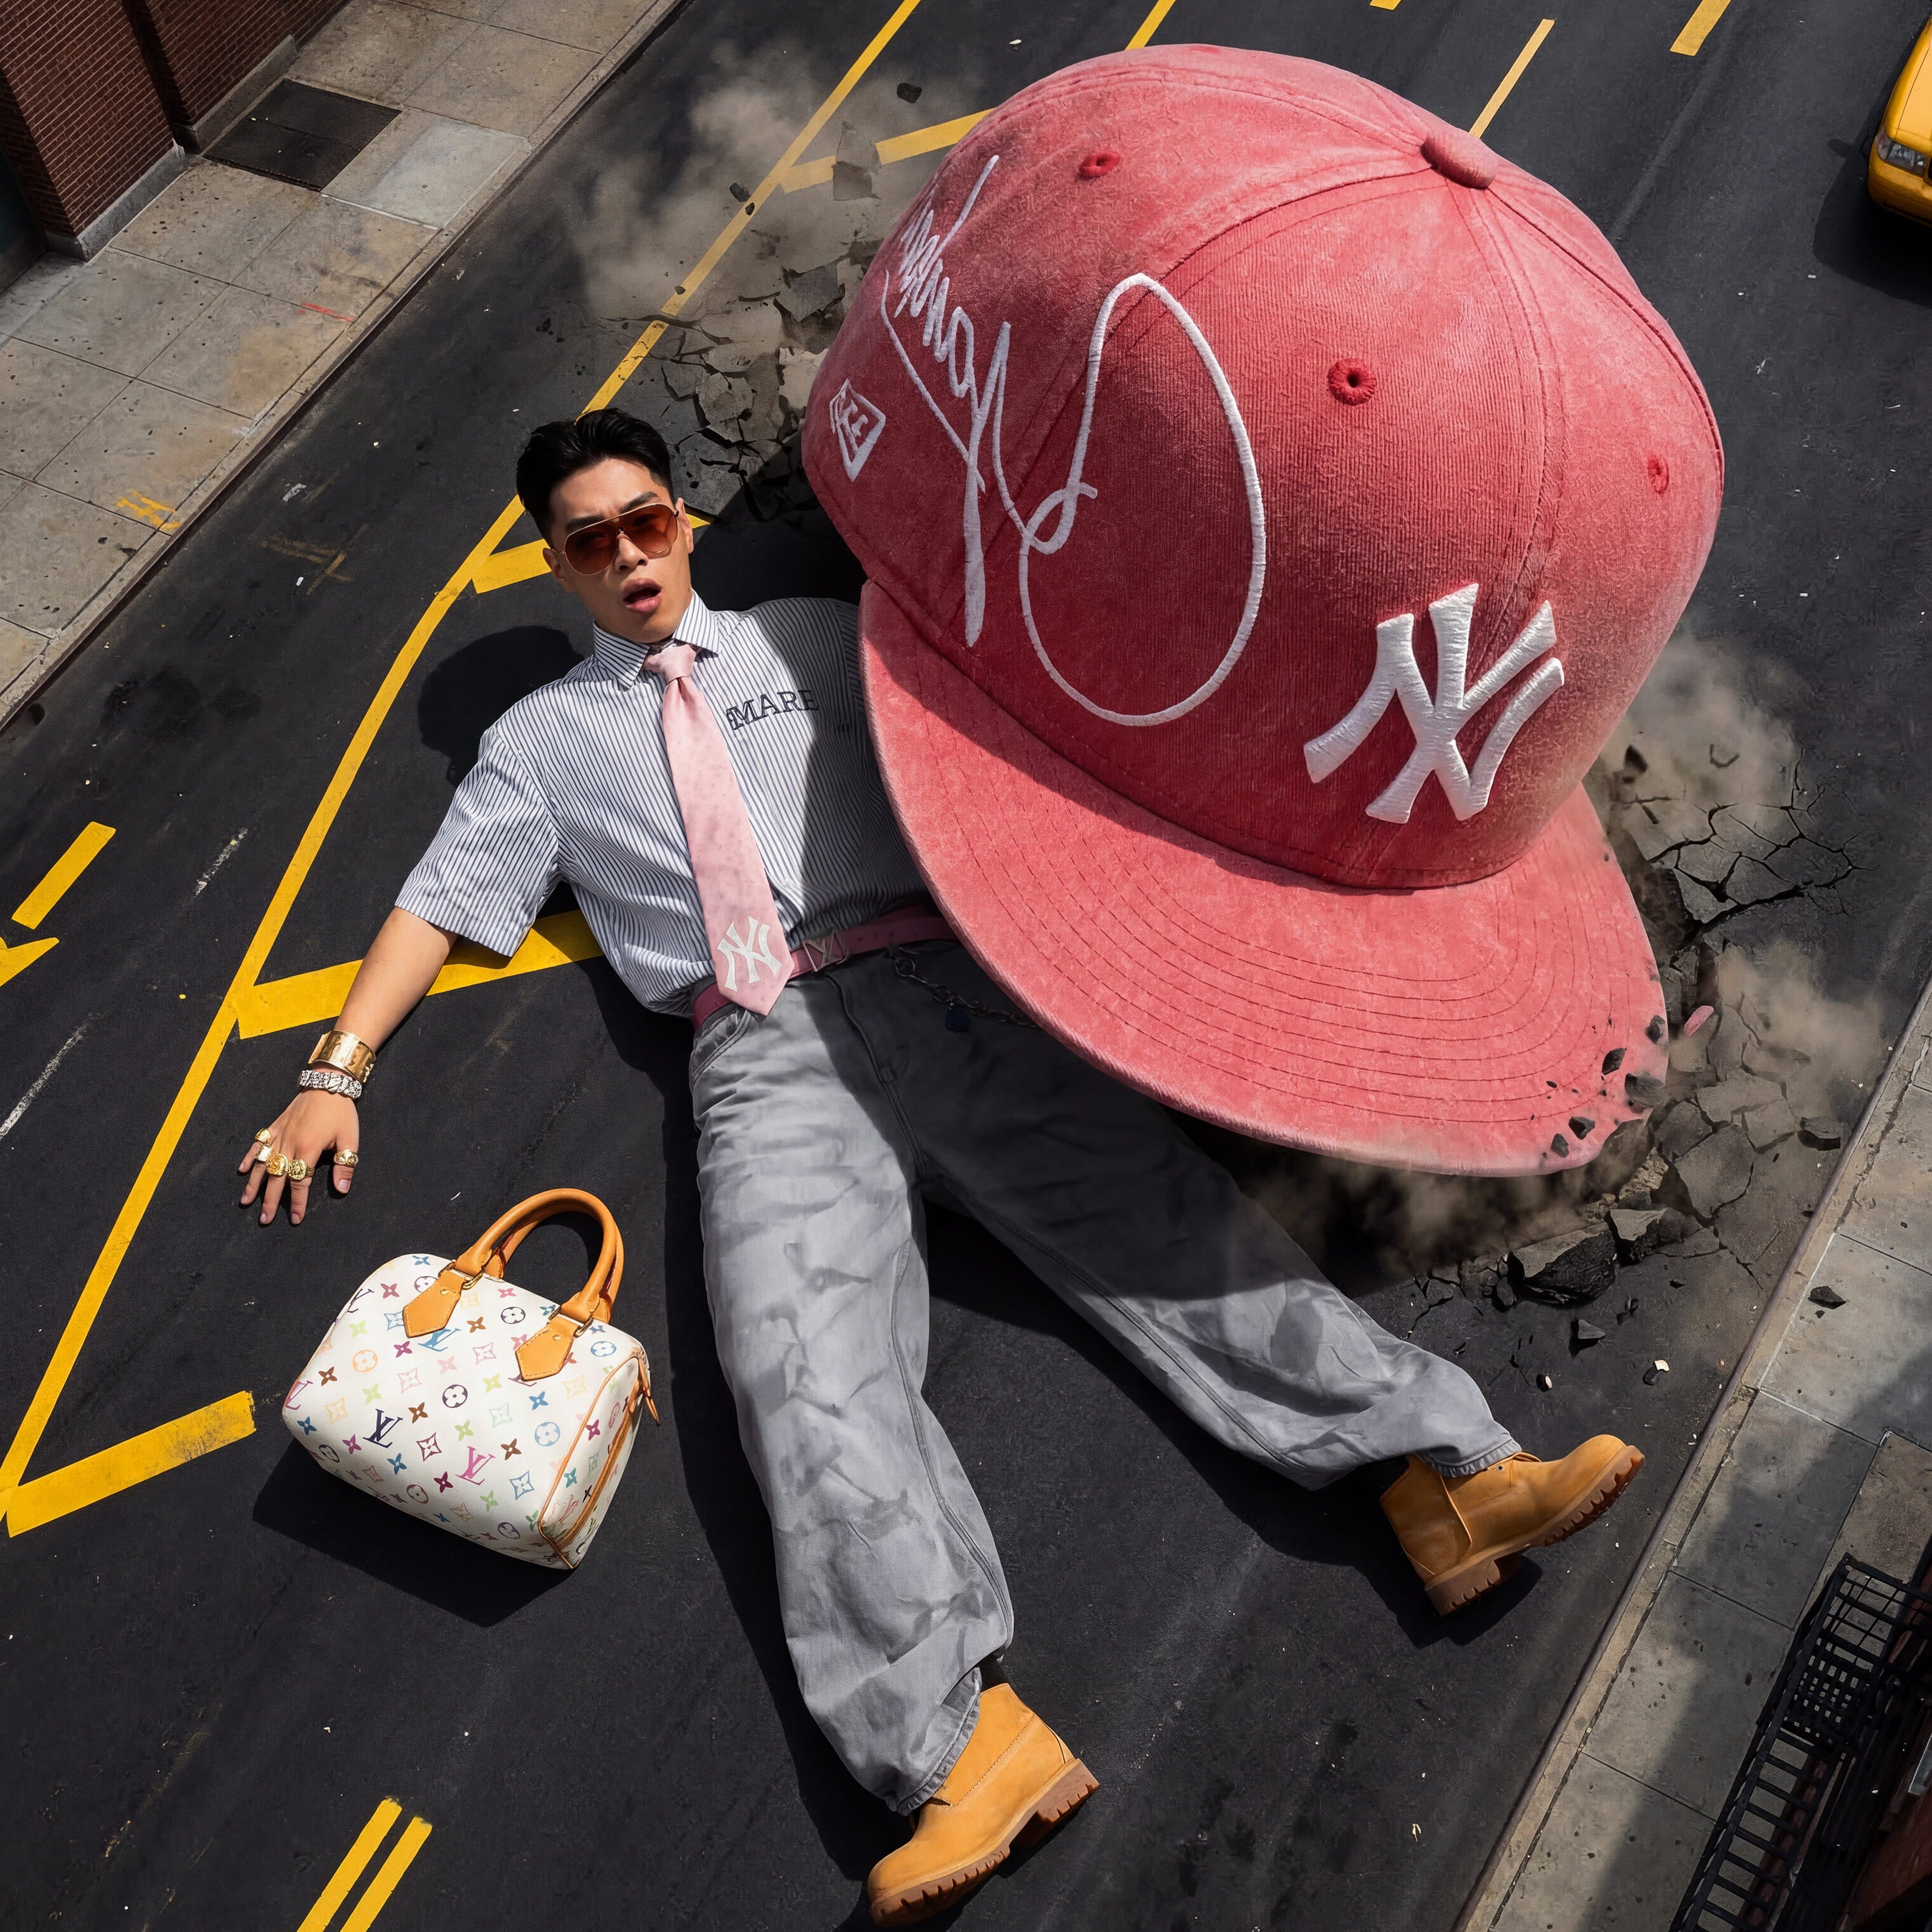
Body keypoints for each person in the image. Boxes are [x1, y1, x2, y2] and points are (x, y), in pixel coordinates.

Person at [242, 407, 1643, 1926]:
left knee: (1171, 1228)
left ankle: (1450, 1479)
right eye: (593, 541)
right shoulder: (536, 747)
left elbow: (1010, 734)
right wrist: (334, 1072)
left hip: (940, 985)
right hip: (759, 1053)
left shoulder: (815, 637)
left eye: (647, 521)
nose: (630, 557)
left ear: (681, 520)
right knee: (798, 1371)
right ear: (555, 564)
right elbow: (439, 903)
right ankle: (958, 1746)